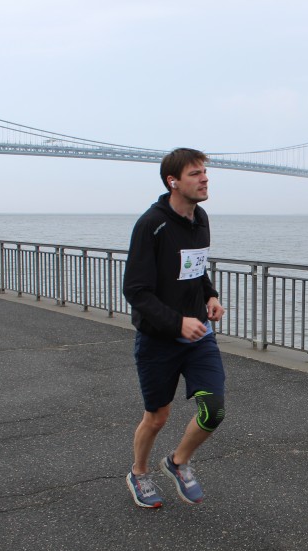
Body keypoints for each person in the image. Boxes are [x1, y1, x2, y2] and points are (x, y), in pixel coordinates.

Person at [122, 148, 226, 508]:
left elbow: (196, 267)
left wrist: (210, 295)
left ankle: (178, 462)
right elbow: (135, 290)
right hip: (159, 339)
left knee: (214, 410)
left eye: (205, 172)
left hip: (199, 337)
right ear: (173, 182)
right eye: (195, 174)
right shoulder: (151, 224)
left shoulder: (201, 218)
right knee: (157, 418)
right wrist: (177, 321)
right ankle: (138, 472)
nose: (205, 179)